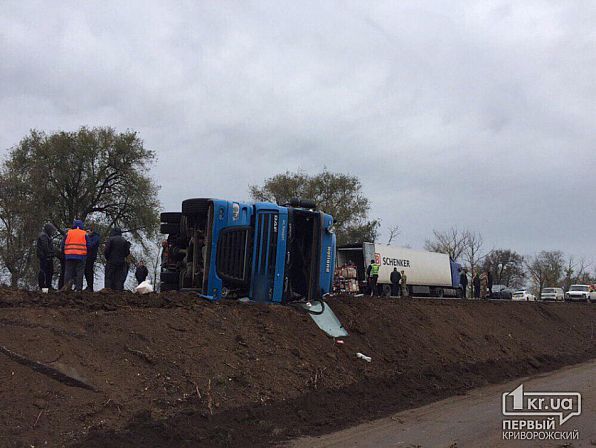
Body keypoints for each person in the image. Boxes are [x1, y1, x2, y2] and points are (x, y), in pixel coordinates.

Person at [62, 220, 89, 291]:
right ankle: (78, 288)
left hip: (69, 255)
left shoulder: (68, 233)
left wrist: (64, 253)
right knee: (79, 272)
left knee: (68, 271)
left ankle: (66, 287)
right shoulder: (84, 233)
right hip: (81, 256)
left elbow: (62, 244)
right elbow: (89, 245)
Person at [36, 223, 57, 290]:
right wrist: (51, 253)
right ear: (48, 229)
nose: (52, 232)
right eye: (51, 230)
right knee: (45, 271)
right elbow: (45, 247)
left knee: (49, 271)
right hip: (45, 257)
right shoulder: (43, 236)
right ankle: (43, 286)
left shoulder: (46, 235)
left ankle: (48, 286)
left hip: (47, 256)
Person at [84, 224, 101, 291]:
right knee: (86, 271)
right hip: (85, 256)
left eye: (88, 232)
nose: (87, 233)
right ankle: (88, 286)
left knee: (89, 271)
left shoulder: (96, 237)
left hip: (91, 256)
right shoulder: (90, 237)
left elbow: (90, 245)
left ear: (92, 231)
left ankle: (90, 287)